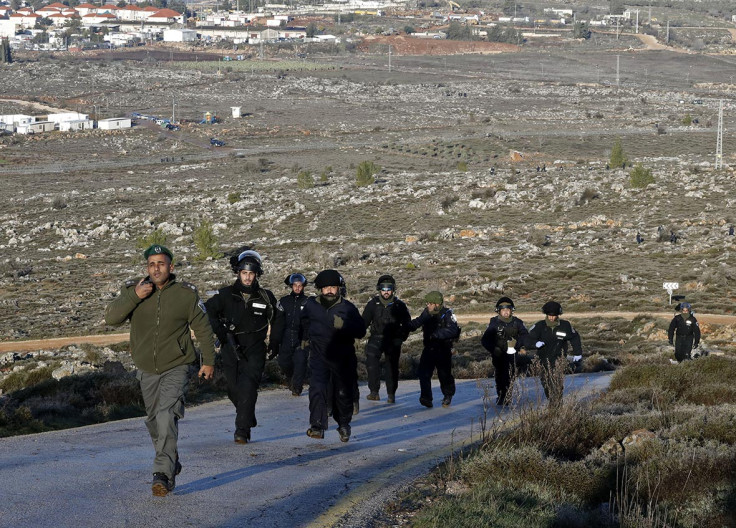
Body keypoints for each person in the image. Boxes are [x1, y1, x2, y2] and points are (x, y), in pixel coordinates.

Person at [105, 244, 215, 497]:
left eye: (161, 263)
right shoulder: (134, 289)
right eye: (152, 264)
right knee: (154, 421)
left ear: (171, 267)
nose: (156, 268)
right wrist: (134, 295)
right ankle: (171, 461)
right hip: (146, 368)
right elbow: (111, 318)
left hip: (176, 365)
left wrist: (208, 361)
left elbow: (204, 328)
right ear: (147, 268)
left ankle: (162, 474)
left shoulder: (186, 295)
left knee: (166, 415)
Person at [205, 250, 284, 444]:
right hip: (229, 347)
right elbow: (207, 311)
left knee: (248, 387)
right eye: (244, 273)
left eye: (251, 273)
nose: (248, 277)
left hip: (255, 348)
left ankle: (242, 429)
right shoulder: (224, 295)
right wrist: (220, 331)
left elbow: (279, 319)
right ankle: (247, 414)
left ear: (257, 274)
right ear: (238, 273)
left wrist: (274, 342)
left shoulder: (266, 297)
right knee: (233, 389)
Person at [300, 269, 366, 442]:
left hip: (342, 357)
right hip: (318, 355)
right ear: (320, 289)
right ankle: (317, 426)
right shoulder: (311, 305)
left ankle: (344, 424)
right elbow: (304, 322)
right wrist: (305, 339)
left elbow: (361, 331)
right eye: (326, 287)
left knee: (343, 393)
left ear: (339, 288)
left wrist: (344, 325)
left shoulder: (348, 308)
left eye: (333, 287)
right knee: (317, 388)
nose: (329, 290)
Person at [361, 275, 411, 404]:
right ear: (379, 289)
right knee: (371, 363)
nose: (386, 291)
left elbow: (407, 324)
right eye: (383, 288)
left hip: (393, 340)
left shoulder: (399, 305)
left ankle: (391, 394)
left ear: (393, 290)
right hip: (376, 338)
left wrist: (401, 338)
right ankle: (374, 392)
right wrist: (356, 334)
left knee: (391, 367)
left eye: (389, 288)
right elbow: (364, 322)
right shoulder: (372, 304)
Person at [409, 291, 460, 408]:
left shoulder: (447, 314)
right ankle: (426, 398)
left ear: (437, 304)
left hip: (443, 349)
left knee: (444, 374)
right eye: (427, 303)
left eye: (431, 303)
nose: (428, 305)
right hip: (429, 348)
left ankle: (448, 395)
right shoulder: (427, 312)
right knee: (423, 373)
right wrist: (406, 327)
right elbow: (418, 322)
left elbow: (453, 330)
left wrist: (436, 334)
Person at [526, 301, 582, 407]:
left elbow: (575, 338)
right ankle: (552, 401)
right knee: (546, 384)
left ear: (558, 315)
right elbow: (527, 339)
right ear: (546, 314)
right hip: (542, 360)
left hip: (558, 359)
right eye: (550, 315)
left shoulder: (565, 325)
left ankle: (556, 407)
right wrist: (534, 343)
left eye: (554, 315)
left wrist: (577, 353)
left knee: (557, 385)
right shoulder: (539, 326)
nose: (552, 318)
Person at [481, 297, 528, 406]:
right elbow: (485, 340)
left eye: (508, 309)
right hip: (499, 354)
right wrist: (494, 349)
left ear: (512, 310)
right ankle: (501, 395)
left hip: (513, 353)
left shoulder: (517, 322)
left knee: (510, 375)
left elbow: (525, 336)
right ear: (499, 311)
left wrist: (518, 345)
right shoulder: (494, 323)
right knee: (500, 375)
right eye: (503, 310)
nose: (506, 312)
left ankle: (507, 396)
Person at [278, 273, 310, 396]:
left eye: (300, 285)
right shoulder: (284, 301)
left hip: (303, 336)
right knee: (284, 362)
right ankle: (291, 379)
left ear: (303, 287)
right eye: (295, 285)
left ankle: (297, 387)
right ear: (291, 286)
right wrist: (276, 338)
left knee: (300, 362)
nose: (297, 288)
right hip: (286, 335)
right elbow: (277, 321)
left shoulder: (308, 302)